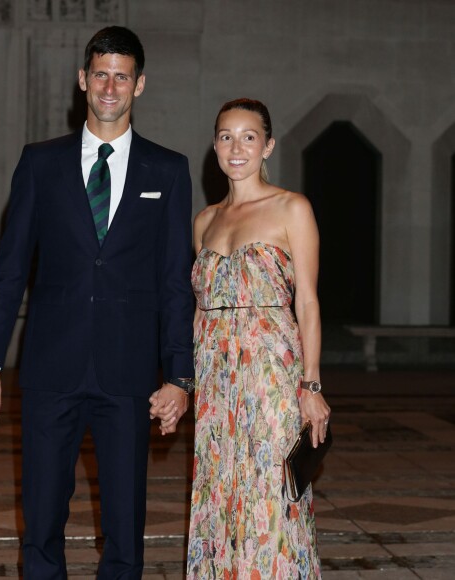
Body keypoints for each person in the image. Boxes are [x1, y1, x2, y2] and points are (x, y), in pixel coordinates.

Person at [0, 26, 194, 580]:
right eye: (100, 74)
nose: (110, 87)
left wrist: (180, 378)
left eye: (122, 76)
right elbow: (10, 270)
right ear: (82, 80)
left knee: (125, 528)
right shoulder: (40, 164)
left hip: (129, 376)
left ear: (139, 84)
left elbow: (173, 282)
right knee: (40, 522)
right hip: (51, 370)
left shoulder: (167, 170)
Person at [186, 98, 331, 579]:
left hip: (270, 376)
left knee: (271, 500)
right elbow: (199, 309)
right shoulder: (204, 221)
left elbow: (307, 302)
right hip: (215, 382)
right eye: (226, 136)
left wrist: (310, 387)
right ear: (214, 146)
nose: (237, 147)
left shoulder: (292, 207)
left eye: (249, 136)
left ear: (267, 145)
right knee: (219, 495)